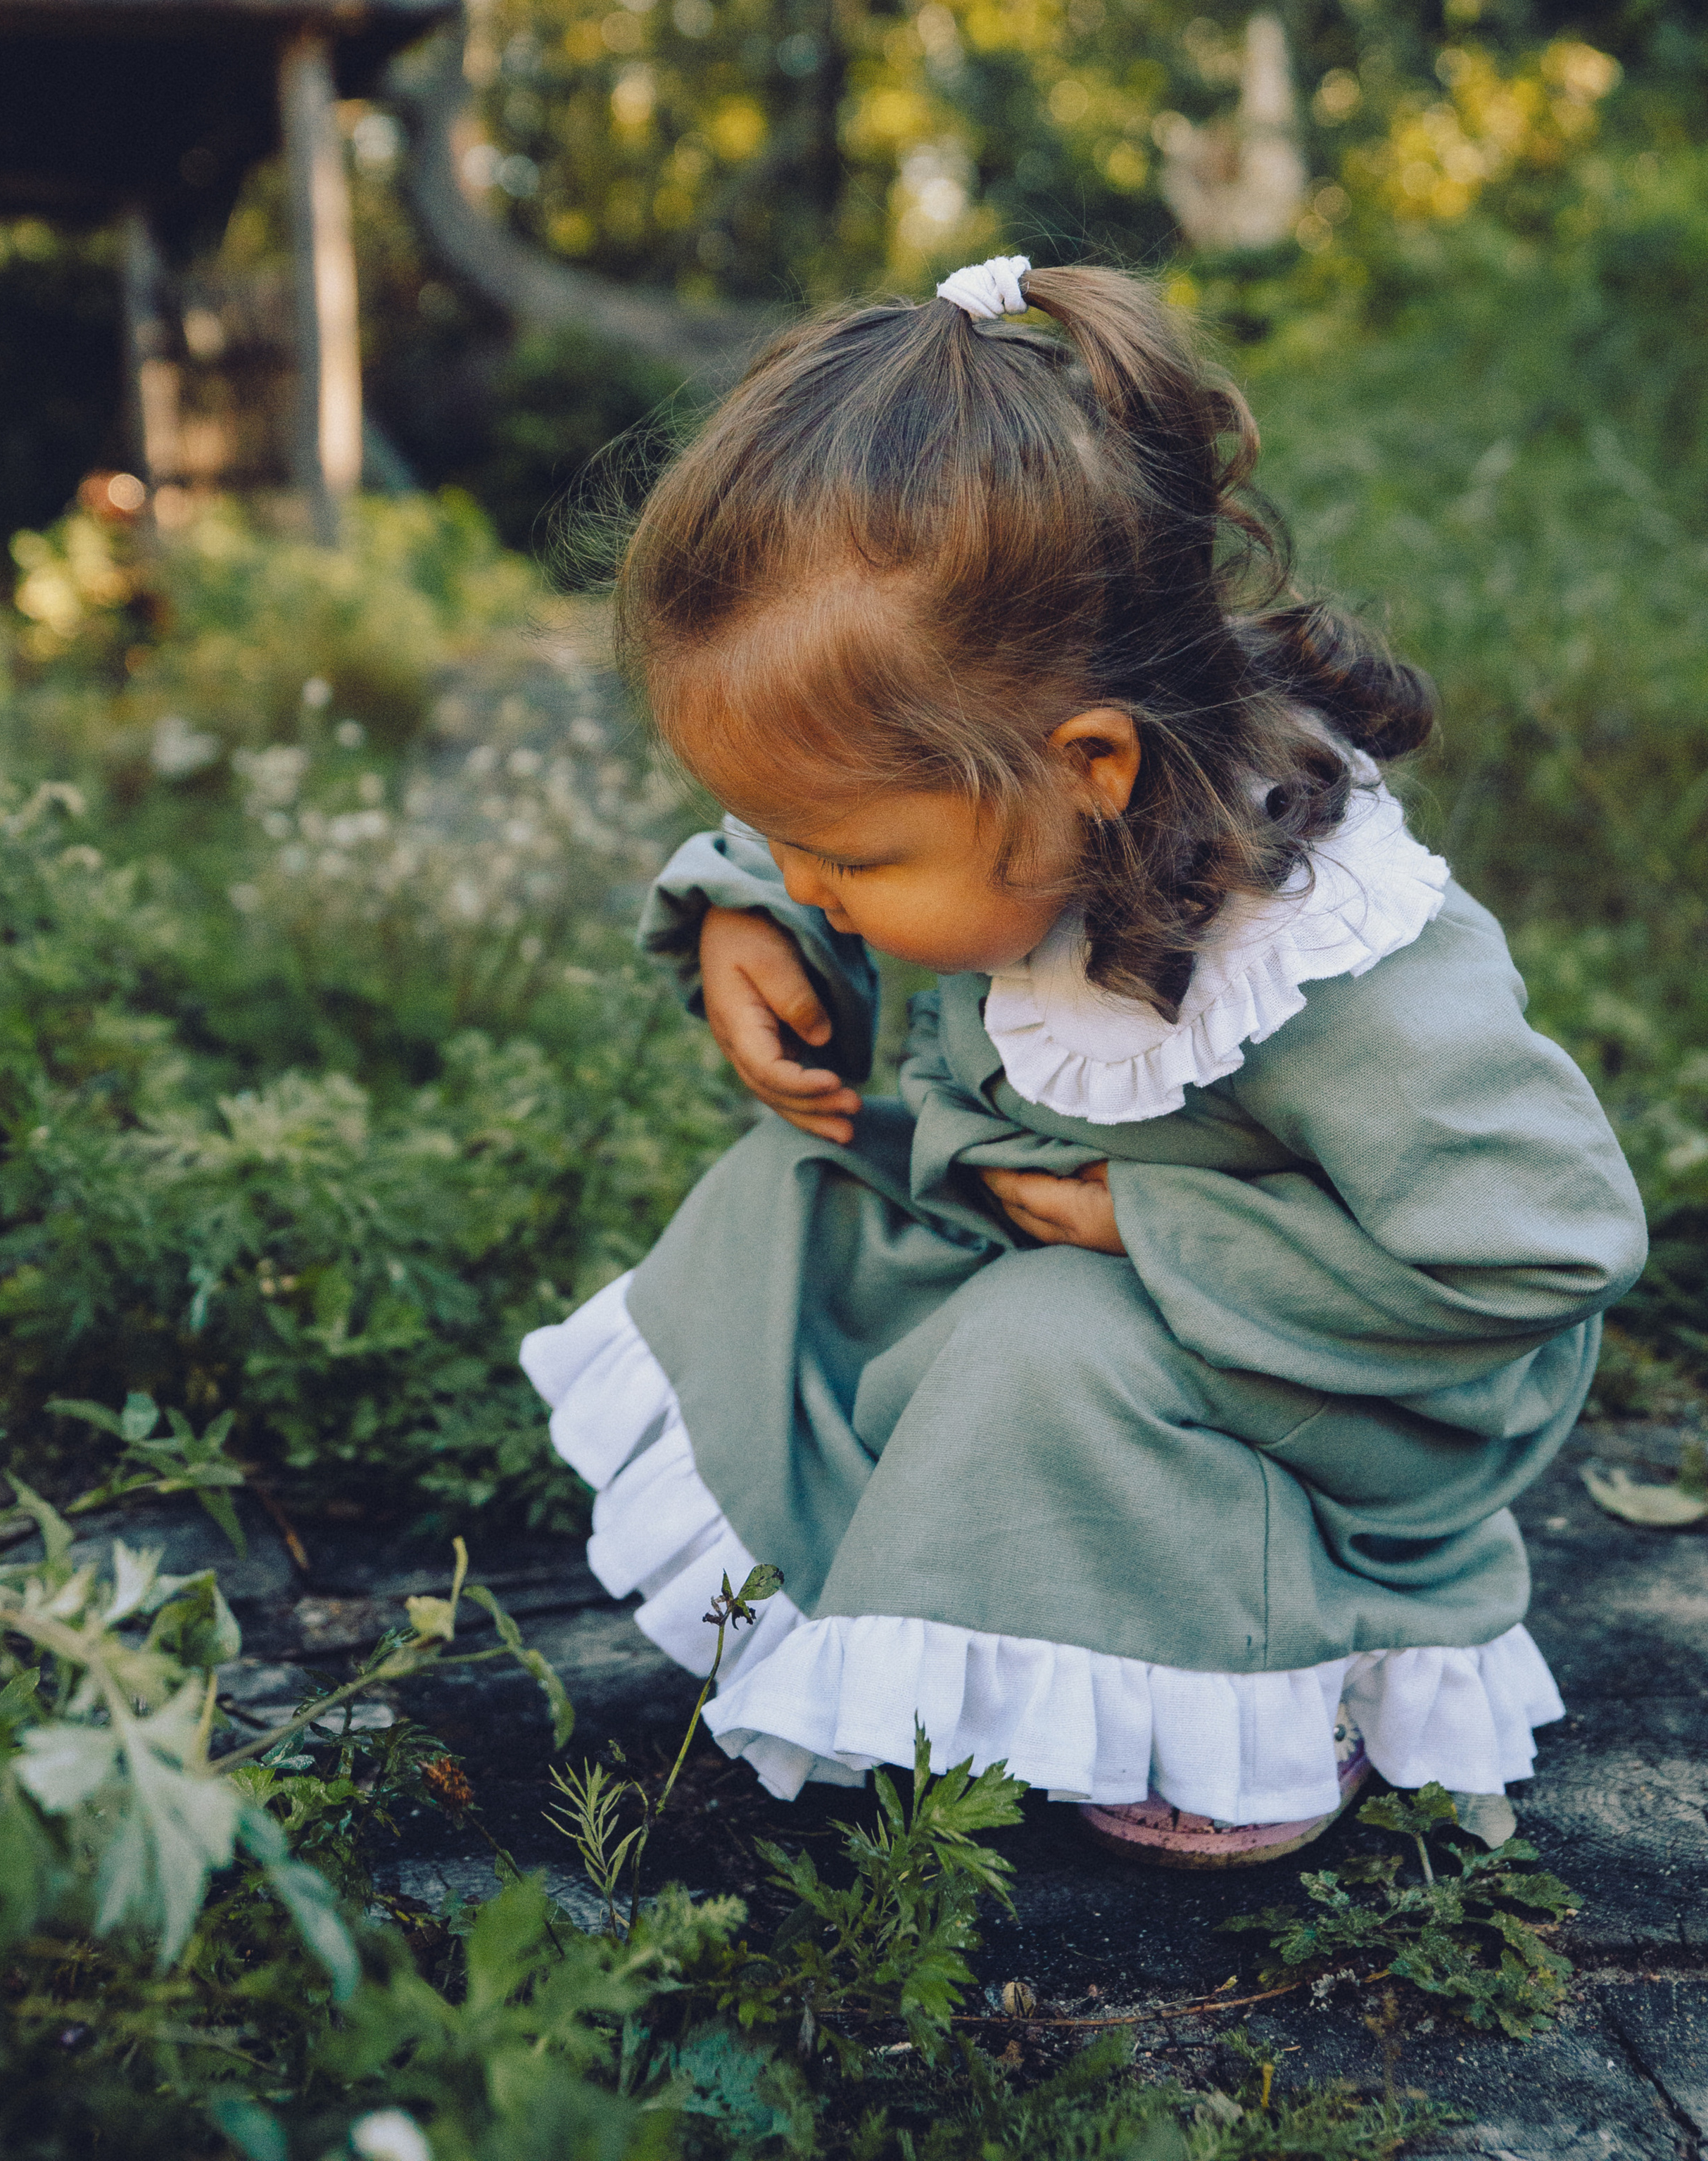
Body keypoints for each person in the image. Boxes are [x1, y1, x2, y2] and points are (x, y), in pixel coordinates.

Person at [521, 256, 1645, 1867]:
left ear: (1090, 770)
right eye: (781, 838)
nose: (809, 875)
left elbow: (1542, 1253)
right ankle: (902, 1572)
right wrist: (749, 910)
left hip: (1357, 1380)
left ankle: (1266, 1679)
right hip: (1101, 1250)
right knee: (799, 1203)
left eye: (836, 850)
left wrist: (1154, 1231)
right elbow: (868, 834)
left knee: (1046, 1345)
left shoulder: (1324, 965)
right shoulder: (1046, 793)